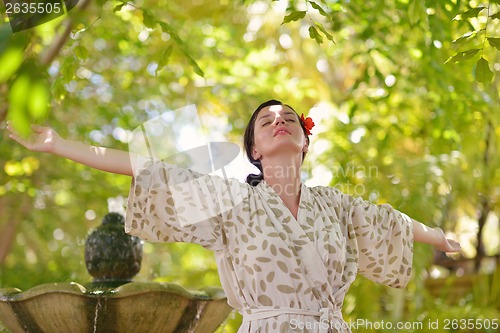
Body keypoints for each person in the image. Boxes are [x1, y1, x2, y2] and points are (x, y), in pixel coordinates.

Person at [6, 99, 461, 333]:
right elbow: (144, 167)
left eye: (288, 118)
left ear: (305, 142)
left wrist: (441, 237)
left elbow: (393, 223)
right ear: (255, 150)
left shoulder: (338, 205)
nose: (280, 121)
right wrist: (57, 144)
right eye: (267, 121)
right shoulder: (231, 202)